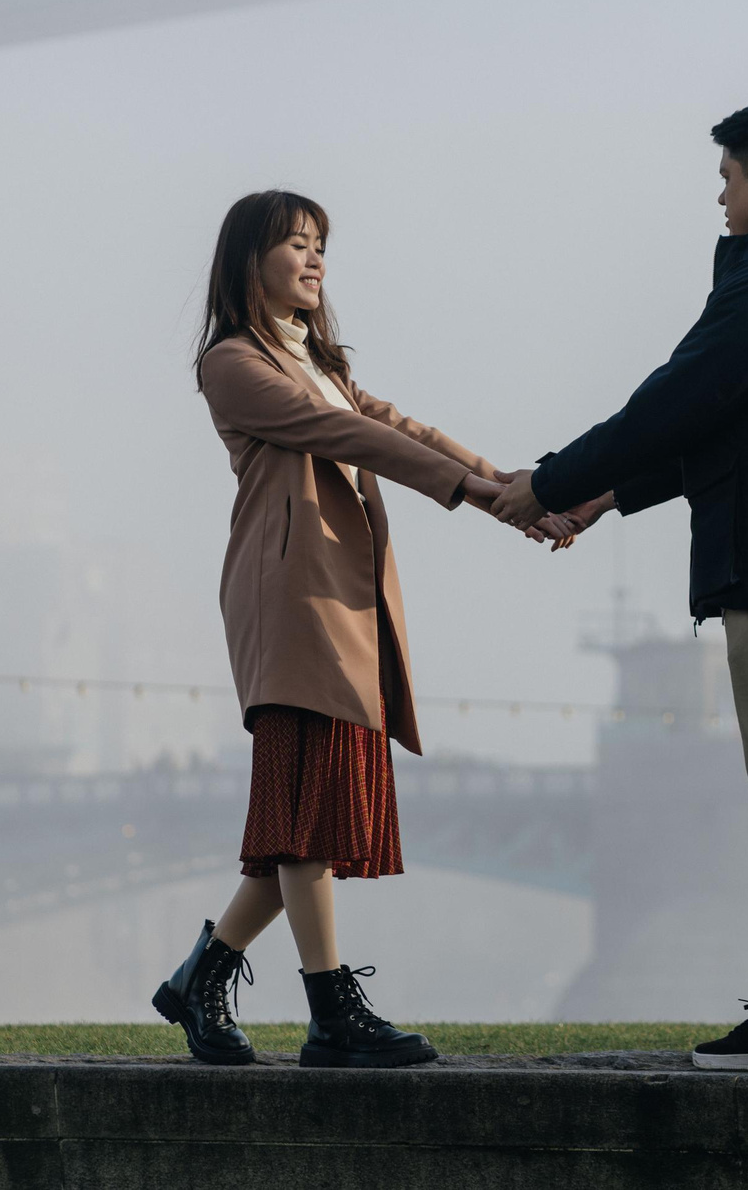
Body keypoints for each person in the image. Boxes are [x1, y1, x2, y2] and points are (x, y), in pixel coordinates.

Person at [494, 100, 748, 1070]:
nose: (718, 195)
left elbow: (677, 401)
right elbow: (735, 426)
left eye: (727, 176)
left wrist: (548, 482)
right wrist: (607, 495)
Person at [155, 189, 570, 1067]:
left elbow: (398, 426)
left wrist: (518, 487)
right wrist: (475, 494)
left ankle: (202, 977)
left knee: (307, 814)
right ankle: (331, 1011)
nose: (315, 259)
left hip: (342, 602)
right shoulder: (233, 362)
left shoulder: (319, 362)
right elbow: (340, 432)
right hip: (292, 602)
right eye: (296, 243)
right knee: (308, 814)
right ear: (250, 260)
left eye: (320, 245)